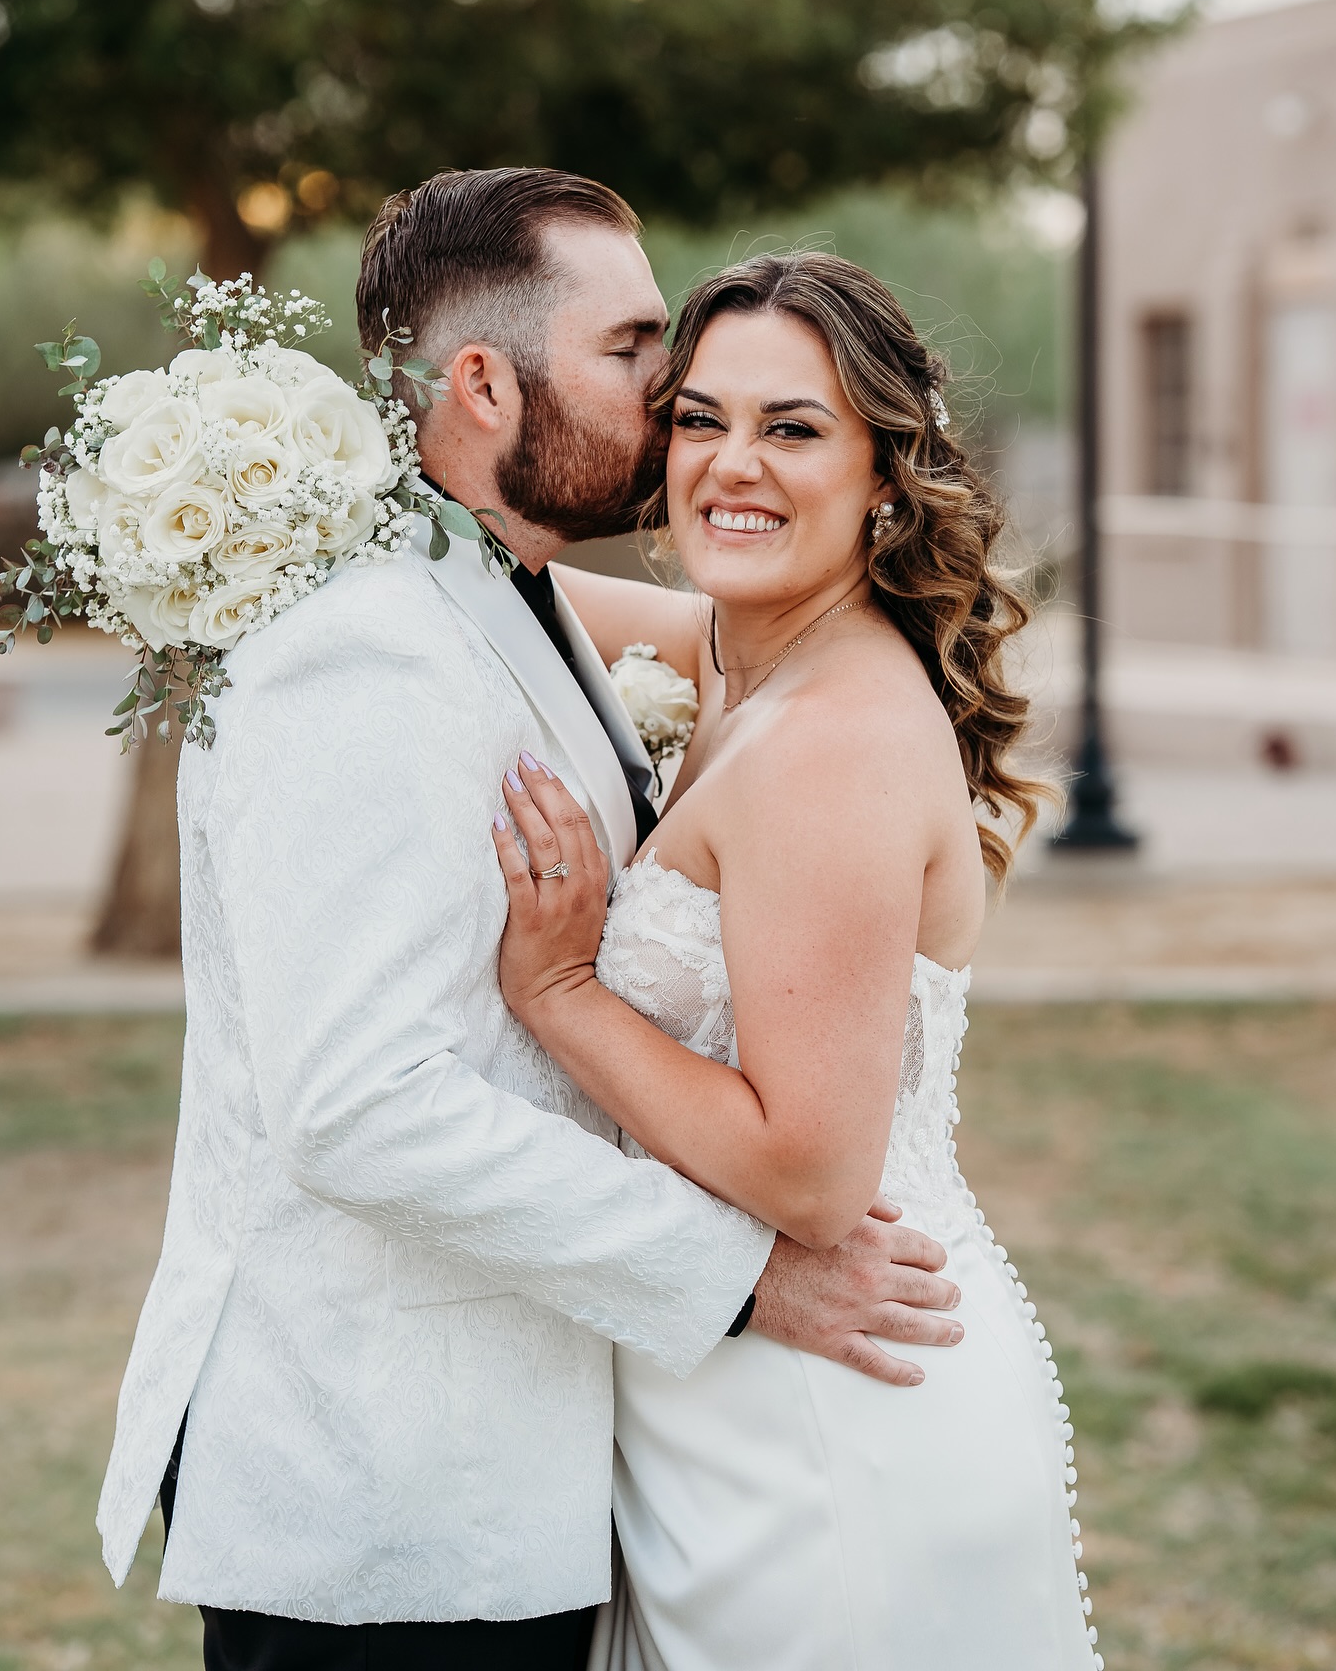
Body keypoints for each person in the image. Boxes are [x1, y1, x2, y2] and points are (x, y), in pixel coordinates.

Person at [96, 173, 965, 1671]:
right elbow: (360, 1106)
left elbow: (763, 636)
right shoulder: (364, 657)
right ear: (487, 386)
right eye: (634, 351)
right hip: (388, 1499)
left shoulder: (510, 596)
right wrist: (740, 1277)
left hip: (521, 1479)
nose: (670, 389)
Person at [490, 251, 1101, 1671]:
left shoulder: (832, 743)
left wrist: (560, 993)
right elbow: (511, 596)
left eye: (794, 428)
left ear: (886, 472)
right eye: (701, 420)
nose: (732, 466)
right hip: (728, 1407)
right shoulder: (743, 658)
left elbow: (813, 1175)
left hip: (829, 1428)